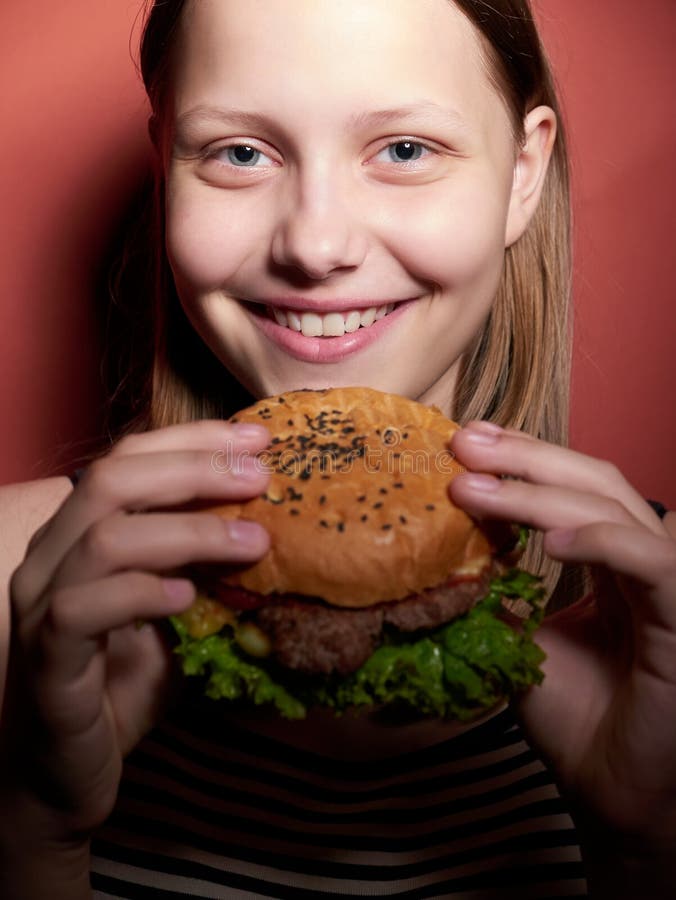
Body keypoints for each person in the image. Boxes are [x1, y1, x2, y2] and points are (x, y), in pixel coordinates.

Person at [1, 1, 674, 897]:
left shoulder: (659, 619)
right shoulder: (15, 582)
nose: (316, 247)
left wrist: (645, 852)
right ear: (169, 167)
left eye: (403, 149)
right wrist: (34, 831)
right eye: (239, 152)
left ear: (523, 172)